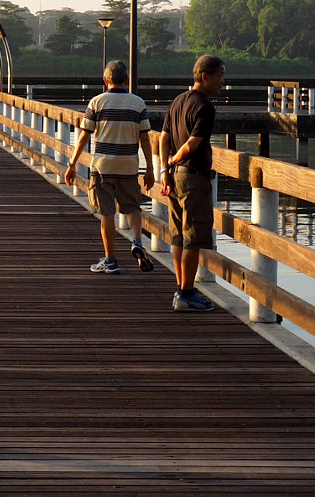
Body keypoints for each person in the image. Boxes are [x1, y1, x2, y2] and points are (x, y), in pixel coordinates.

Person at [61, 59, 158, 275]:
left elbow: (84, 136)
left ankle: (111, 260)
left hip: (103, 167)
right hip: (129, 166)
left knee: (107, 214)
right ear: (127, 80)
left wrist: (72, 164)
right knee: (132, 208)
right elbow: (145, 139)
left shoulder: (96, 102)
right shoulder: (138, 103)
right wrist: (150, 169)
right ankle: (137, 241)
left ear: (105, 80)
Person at [159, 56, 227, 312]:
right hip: (193, 177)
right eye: (220, 75)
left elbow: (164, 137)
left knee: (178, 236)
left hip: (176, 176)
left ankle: (182, 290)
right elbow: (191, 144)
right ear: (205, 76)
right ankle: (187, 293)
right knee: (194, 238)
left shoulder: (178, 101)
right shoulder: (205, 106)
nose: (222, 81)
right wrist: (175, 159)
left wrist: (165, 168)